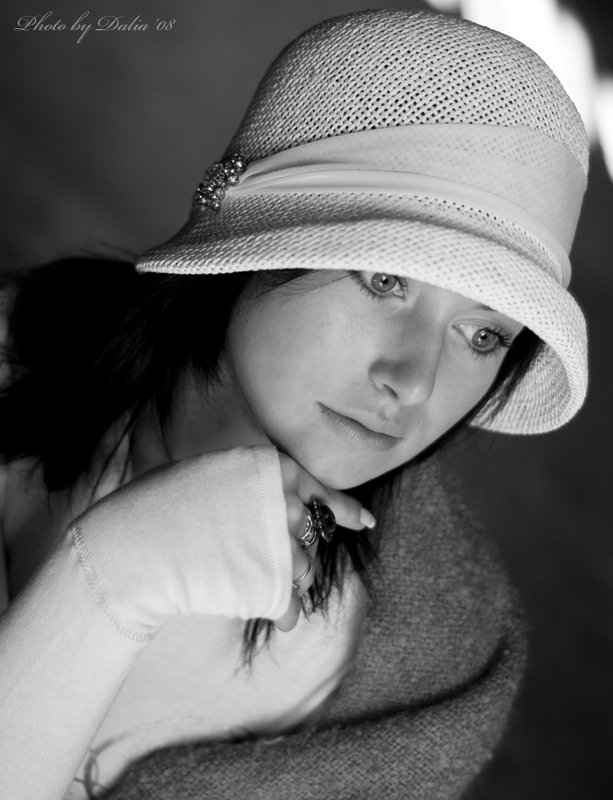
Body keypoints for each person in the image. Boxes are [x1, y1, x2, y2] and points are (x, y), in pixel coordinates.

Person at [0, 8, 588, 800]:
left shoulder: (405, 683)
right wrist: (111, 574)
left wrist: (111, 582)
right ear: (254, 244)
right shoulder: (15, 358)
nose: (414, 381)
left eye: (483, 336)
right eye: (385, 280)